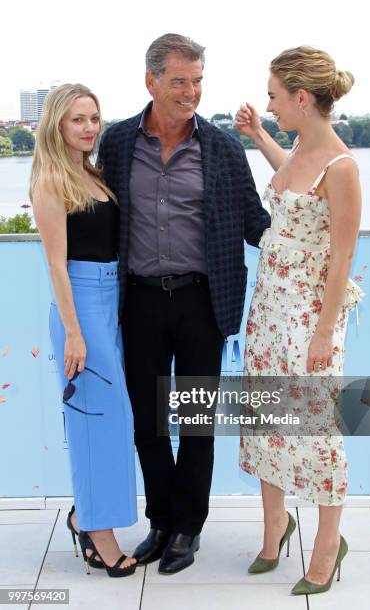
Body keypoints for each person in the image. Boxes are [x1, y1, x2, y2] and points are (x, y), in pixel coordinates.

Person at [97, 33, 271, 575]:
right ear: (150, 81)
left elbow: (253, 221)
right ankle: (160, 522)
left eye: (197, 81)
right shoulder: (120, 142)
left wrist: (306, 234)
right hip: (140, 304)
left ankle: (188, 530)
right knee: (148, 423)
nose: (191, 91)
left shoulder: (220, 146)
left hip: (203, 303)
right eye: (179, 81)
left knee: (195, 422)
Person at [236, 46, 363, 595]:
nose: (270, 104)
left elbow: (342, 258)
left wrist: (322, 334)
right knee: (266, 416)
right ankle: (274, 528)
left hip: (308, 317)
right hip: (266, 308)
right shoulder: (296, 152)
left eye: (273, 96)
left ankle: (328, 546)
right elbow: (289, 187)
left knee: (315, 428)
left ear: (301, 97)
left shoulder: (343, 167)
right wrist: (260, 135)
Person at [30, 83, 137, 578]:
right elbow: (56, 265)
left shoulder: (91, 173)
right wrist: (74, 332)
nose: (90, 127)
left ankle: (85, 515)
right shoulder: (51, 179)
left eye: (94, 117)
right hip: (81, 306)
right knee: (99, 421)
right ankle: (99, 535)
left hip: (112, 300)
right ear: (57, 124)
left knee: (114, 422)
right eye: (78, 119)